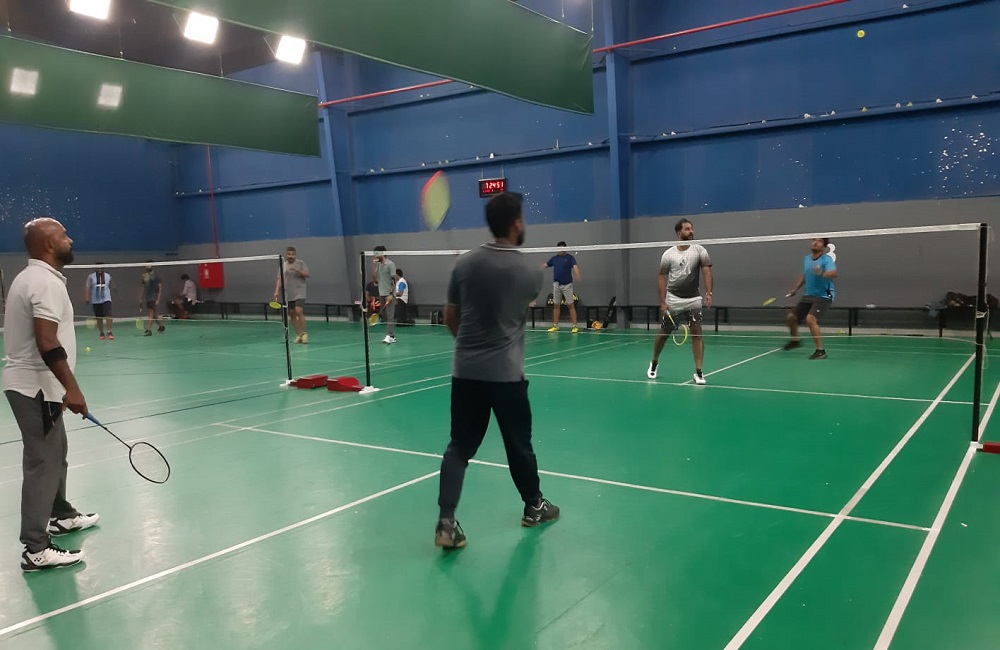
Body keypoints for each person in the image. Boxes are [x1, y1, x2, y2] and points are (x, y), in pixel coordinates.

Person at [435, 192, 559, 550]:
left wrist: (470, 349)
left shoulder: (462, 265)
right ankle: (534, 507)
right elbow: (514, 312)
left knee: (459, 446)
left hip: (465, 371)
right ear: (516, 223)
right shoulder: (531, 273)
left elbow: (451, 316)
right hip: (506, 374)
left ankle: (446, 523)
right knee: (519, 445)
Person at [3, 217, 99, 571]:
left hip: (42, 387)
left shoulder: (34, 277)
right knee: (43, 461)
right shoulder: (43, 282)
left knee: (57, 453)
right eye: (63, 235)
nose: (69, 240)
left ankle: (61, 514)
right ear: (48, 244)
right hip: (35, 387)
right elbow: (47, 341)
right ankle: (35, 548)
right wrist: (72, 388)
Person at [647, 218, 713, 384]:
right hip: (673, 299)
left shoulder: (700, 250)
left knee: (697, 333)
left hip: (694, 298)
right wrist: (662, 302)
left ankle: (698, 372)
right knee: (664, 333)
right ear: (678, 233)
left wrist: (709, 293)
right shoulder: (668, 254)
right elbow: (661, 277)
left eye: (691, 228)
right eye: (687, 229)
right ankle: (654, 362)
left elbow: (706, 272)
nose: (691, 232)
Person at [784, 238, 837, 359]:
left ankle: (820, 351)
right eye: (814, 240)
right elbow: (805, 275)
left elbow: (833, 273)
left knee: (810, 319)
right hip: (809, 295)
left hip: (824, 295)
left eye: (819, 241)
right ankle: (795, 341)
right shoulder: (807, 259)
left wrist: (822, 272)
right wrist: (795, 289)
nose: (815, 242)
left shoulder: (826, 259)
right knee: (791, 317)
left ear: (824, 246)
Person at [273, 246, 310, 344]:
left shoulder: (301, 263)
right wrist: (277, 291)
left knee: (298, 310)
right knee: (291, 313)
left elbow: (308, 274)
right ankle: (299, 335)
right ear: (286, 255)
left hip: (300, 291)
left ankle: (305, 333)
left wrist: (298, 270)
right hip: (288, 293)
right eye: (289, 254)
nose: (290, 256)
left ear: (295, 255)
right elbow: (279, 279)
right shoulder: (283, 265)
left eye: (292, 254)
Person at [544, 242, 582, 333]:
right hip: (556, 285)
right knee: (556, 305)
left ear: (565, 249)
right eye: (558, 248)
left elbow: (575, 266)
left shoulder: (570, 258)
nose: (560, 250)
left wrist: (577, 274)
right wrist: (536, 269)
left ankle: (575, 326)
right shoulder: (554, 258)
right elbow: (546, 265)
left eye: (561, 248)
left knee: (570, 305)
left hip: (567, 285)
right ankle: (555, 325)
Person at [84, 262, 116, 340]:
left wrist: (115, 289)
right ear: (95, 268)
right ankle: (101, 332)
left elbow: (113, 284)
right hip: (96, 300)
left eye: (101, 267)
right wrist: (87, 297)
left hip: (106, 299)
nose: (100, 269)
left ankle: (109, 332)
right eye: (98, 267)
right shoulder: (91, 277)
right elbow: (87, 287)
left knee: (108, 315)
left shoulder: (108, 276)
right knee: (99, 318)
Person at [373, 245, 397, 345]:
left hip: (389, 294)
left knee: (390, 315)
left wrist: (391, 294)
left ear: (382, 253)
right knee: (385, 316)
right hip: (381, 293)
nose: (375, 256)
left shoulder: (390, 264)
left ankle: (388, 335)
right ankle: (392, 336)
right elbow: (375, 280)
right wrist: (374, 267)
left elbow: (393, 280)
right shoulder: (378, 265)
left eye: (377, 253)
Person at [139, 262, 165, 336]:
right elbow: (142, 287)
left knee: (150, 313)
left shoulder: (156, 276)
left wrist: (158, 299)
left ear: (152, 266)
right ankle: (161, 326)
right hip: (148, 297)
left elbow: (160, 288)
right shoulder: (144, 276)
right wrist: (140, 298)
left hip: (153, 297)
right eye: (146, 265)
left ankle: (149, 330)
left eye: (149, 265)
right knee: (154, 314)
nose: (147, 266)